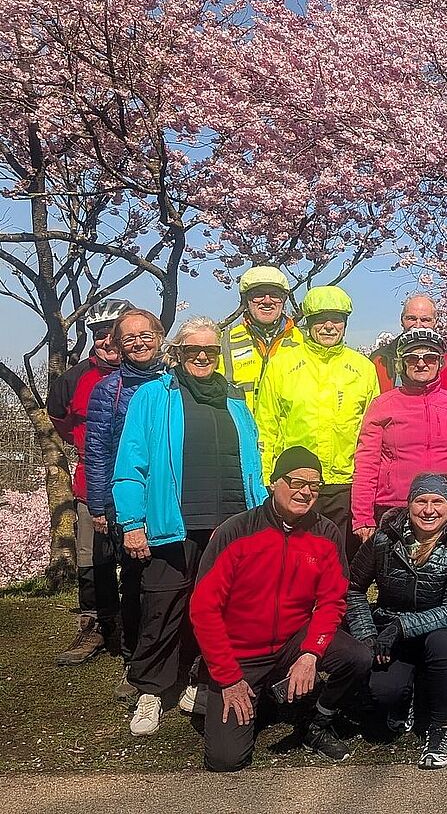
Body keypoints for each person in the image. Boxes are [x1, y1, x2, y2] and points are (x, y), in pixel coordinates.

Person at [112, 316, 265, 738]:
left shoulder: (235, 399)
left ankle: (199, 681)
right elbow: (131, 463)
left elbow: (251, 462)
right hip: (172, 523)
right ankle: (150, 690)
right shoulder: (153, 396)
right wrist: (132, 521)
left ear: (219, 355)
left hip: (230, 523)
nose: (202, 356)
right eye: (192, 350)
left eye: (211, 351)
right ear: (176, 353)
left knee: (218, 608)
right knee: (162, 607)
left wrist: (260, 511)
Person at [189, 446, 373, 771]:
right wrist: (229, 677)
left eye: (314, 485)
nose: (305, 492)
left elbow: (332, 600)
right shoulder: (236, 531)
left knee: (357, 657)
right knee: (225, 760)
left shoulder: (326, 532)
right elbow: (204, 610)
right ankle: (222, 686)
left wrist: (311, 653)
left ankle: (315, 721)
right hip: (241, 652)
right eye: (297, 481)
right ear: (274, 483)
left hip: (292, 640)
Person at [347, 472, 447, 769]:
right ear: (408, 504)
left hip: (436, 632)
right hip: (390, 630)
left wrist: (400, 627)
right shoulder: (384, 538)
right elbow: (353, 587)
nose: (428, 510)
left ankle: (438, 729)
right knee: (383, 694)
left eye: (437, 502)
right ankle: (406, 694)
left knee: (443, 643)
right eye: (420, 501)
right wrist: (367, 634)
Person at [84, 307, 170, 699]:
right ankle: (134, 659)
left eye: (146, 335)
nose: (139, 343)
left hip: (170, 496)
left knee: (170, 579)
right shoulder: (109, 389)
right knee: (134, 582)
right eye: (129, 337)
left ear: (160, 337)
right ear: (118, 345)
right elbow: (97, 450)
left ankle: (173, 654)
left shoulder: (174, 382)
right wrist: (100, 506)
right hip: (127, 498)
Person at [255, 285, 379, 546]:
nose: (329, 327)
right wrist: (267, 477)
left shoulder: (363, 369)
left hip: (345, 482)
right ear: (308, 323)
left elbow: (373, 433)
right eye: (321, 320)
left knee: (337, 560)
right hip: (295, 481)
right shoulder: (282, 364)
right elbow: (266, 423)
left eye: (336, 320)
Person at [48, 298, 131, 666]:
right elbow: (61, 422)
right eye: (99, 334)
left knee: (137, 558)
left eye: (114, 333)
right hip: (90, 486)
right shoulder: (73, 379)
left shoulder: (151, 375)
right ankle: (96, 624)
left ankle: (137, 626)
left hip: (139, 486)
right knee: (91, 559)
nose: (107, 340)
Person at [352, 328, 447, 544]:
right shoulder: (383, 405)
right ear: (402, 363)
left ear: (440, 363)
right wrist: (363, 517)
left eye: (429, 357)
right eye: (412, 358)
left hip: (444, 506)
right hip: (394, 508)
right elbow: (366, 464)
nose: (421, 364)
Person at [217, 265, 303, 404]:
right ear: (246, 300)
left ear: (284, 300)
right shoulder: (224, 342)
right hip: (242, 425)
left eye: (275, 295)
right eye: (258, 295)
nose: (267, 301)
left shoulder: (304, 341)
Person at [369, 294, 447, 392]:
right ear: (402, 320)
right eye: (411, 318)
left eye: (425, 320)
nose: (418, 325)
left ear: (435, 322)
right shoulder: (379, 360)